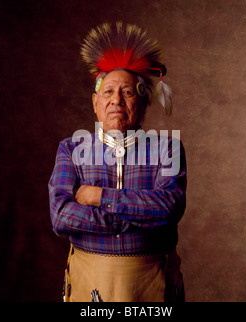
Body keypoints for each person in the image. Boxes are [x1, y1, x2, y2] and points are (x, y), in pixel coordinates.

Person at [48, 22, 187, 302]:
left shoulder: (167, 148)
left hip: (151, 281)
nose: (116, 101)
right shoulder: (71, 148)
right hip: (89, 278)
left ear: (143, 102)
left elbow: (169, 208)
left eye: (127, 92)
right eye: (108, 92)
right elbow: (61, 217)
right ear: (95, 102)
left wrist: (98, 196)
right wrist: (126, 220)